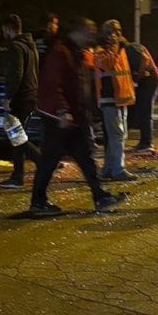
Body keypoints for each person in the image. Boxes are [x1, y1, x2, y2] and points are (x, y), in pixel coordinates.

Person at [29, 17, 126, 215]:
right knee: (50, 161)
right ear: (78, 32)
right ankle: (38, 202)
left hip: (71, 117)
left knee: (84, 158)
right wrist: (62, 111)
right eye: (90, 32)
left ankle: (100, 196)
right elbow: (51, 85)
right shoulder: (60, 53)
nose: (93, 36)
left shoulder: (74, 53)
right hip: (59, 119)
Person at [0, 14, 42, 189]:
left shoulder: (16, 47)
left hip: (21, 97)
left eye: (4, 31)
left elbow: (16, 74)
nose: (3, 35)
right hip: (30, 95)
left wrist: (8, 96)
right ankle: (17, 176)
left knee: (16, 134)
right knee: (17, 135)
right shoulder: (31, 46)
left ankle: (40, 162)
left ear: (9, 29)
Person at [95, 19, 138, 181]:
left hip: (120, 99)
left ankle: (108, 168)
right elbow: (107, 65)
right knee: (117, 135)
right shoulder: (102, 49)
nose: (117, 33)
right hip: (109, 98)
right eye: (113, 30)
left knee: (117, 135)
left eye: (118, 30)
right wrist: (114, 47)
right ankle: (118, 170)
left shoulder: (121, 49)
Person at [125, 30, 158, 153]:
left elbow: (144, 59)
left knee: (145, 110)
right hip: (146, 80)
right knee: (140, 110)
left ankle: (146, 142)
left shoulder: (129, 48)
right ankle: (144, 141)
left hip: (149, 79)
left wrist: (138, 77)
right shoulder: (129, 48)